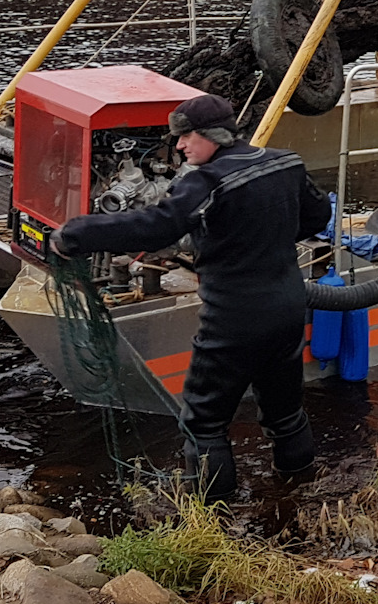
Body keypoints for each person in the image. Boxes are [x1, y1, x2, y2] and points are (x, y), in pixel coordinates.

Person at [53, 93, 329, 501]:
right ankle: (299, 492)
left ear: (212, 136)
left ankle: (211, 522)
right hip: (287, 306)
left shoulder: (208, 181)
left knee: (204, 423)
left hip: (233, 318)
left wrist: (75, 234)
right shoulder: (285, 162)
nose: (180, 146)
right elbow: (317, 216)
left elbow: (155, 228)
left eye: (186, 137)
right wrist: (264, 239)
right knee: (285, 413)